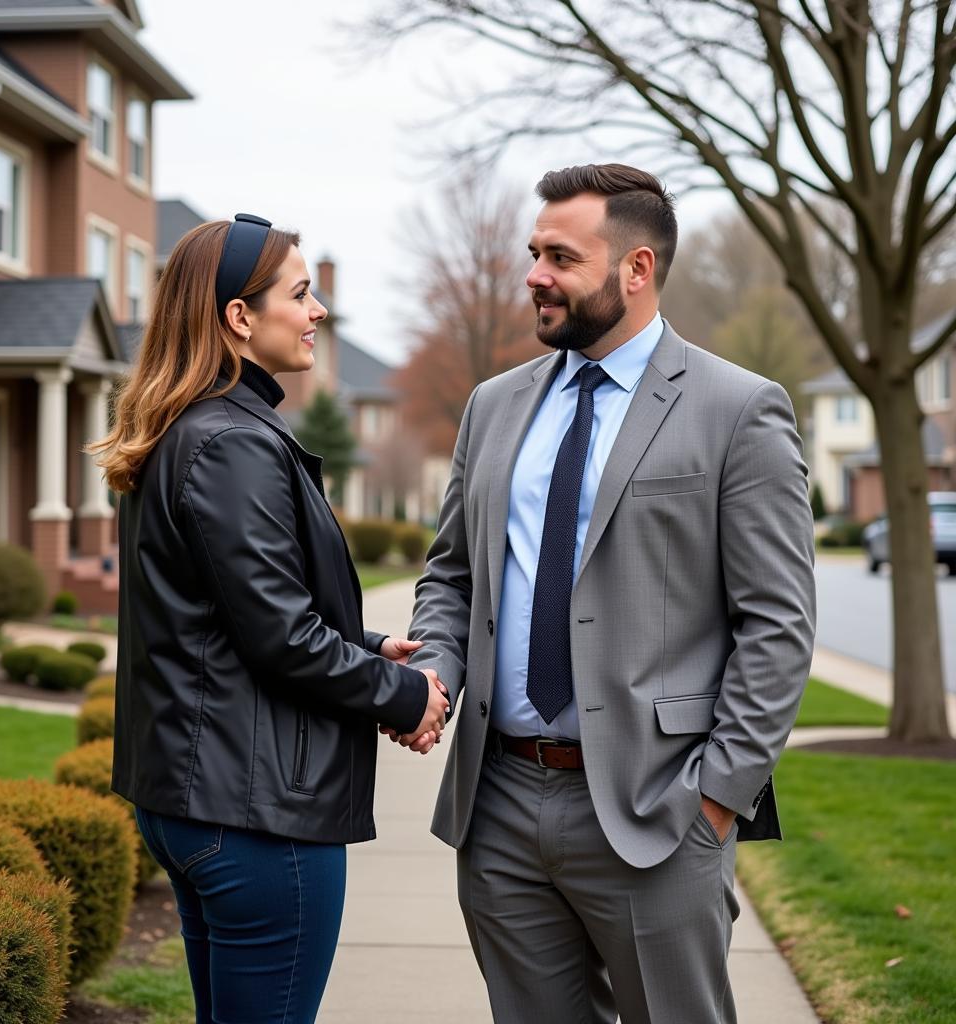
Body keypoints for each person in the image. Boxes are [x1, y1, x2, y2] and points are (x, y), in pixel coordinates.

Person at [393, 165, 816, 1023]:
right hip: (500, 804)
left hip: (657, 809)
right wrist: (434, 667)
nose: (534, 274)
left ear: (637, 268)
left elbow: (778, 623)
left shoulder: (738, 409)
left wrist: (717, 800)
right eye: (533, 252)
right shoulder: (492, 407)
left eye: (560, 256)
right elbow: (454, 572)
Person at [90, 214, 450, 1024]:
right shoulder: (229, 442)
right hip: (257, 818)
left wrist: (366, 646)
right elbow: (279, 636)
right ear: (239, 317)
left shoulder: (201, 430)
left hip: (207, 801)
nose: (318, 310)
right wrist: (403, 695)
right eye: (300, 293)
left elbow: (225, 609)